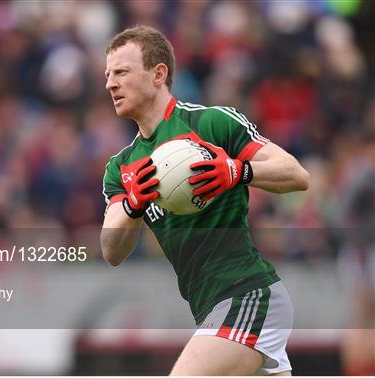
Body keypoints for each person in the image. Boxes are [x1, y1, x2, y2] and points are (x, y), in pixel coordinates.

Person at [100, 25, 310, 375]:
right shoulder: (120, 167)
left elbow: (296, 174)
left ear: (158, 74)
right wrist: (133, 206)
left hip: (249, 294)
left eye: (121, 72)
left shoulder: (212, 123)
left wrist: (237, 171)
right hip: (210, 306)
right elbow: (111, 250)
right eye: (107, 75)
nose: (110, 83)